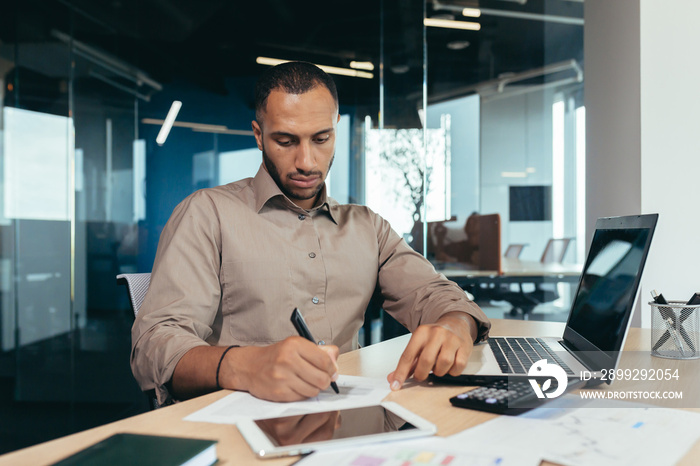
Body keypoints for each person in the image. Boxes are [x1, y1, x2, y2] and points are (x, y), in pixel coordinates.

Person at [131, 62, 491, 405]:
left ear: (336, 128)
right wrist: (245, 365)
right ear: (258, 135)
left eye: (321, 138)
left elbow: (435, 294)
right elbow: (154, 346)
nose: (306, 161)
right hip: (240, 424)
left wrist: (456, 325)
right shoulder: (207, 214)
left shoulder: (367, 227)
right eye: (286, 141)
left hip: (347, 420)